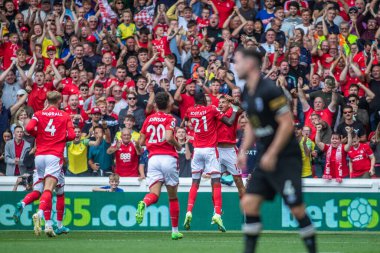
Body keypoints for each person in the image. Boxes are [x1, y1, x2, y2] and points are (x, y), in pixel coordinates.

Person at [234, 49, 316, 253]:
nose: (235, 66)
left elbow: (287, 124)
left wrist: (272, 153)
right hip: (265, 155)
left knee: (296, 209)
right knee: (249, 204)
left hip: (285, 156)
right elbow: (252, 124)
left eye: (237, 61)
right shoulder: (246, 91)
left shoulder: (270, 89)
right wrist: (243, 149)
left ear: (251, 64)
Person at [183, 92, 238, 232]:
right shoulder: (211, 109)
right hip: (210, 150)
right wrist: (236, 110)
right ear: (204, 101)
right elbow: (230, 122)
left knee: (195, 183)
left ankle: (189, 211)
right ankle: (217, 213)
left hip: (197, 151)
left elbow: (184, 122)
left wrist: (191, 125)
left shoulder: (190, 110)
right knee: (216, 182)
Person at [25, 91, 75, 237]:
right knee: (54, 190)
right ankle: (44, 216)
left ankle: (48, 224)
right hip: (54, 155)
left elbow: (28, 129)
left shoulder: (39, 113)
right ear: (59, 100)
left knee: (42, 188)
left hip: (40, 155)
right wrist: (60, 137)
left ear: (47, 100)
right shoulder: (65, 115)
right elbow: (72, 135)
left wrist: (38, 135)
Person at [135, 92, 183, 240]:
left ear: (156, 104)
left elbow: (140, 142)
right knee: (173, 197)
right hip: (168, 157)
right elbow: (168, 137)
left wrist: (148, 145)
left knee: (154, 195)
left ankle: (144, 202)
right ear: (169, 104)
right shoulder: (170, 118)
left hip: (153, 159)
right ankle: (174, 231)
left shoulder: (149, 119)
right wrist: (178, 145)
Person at [217, 95, 245, 198]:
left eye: (223, 102)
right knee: (214, 181)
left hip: (230, 151)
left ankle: (246, 210)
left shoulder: (232, 112)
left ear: (229, 104)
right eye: (219, 102)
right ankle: (216, 210)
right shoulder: (215, 113)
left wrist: (237, 103)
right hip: (217, 150)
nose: (220, 104)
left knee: (238, 181)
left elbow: (243, 108)